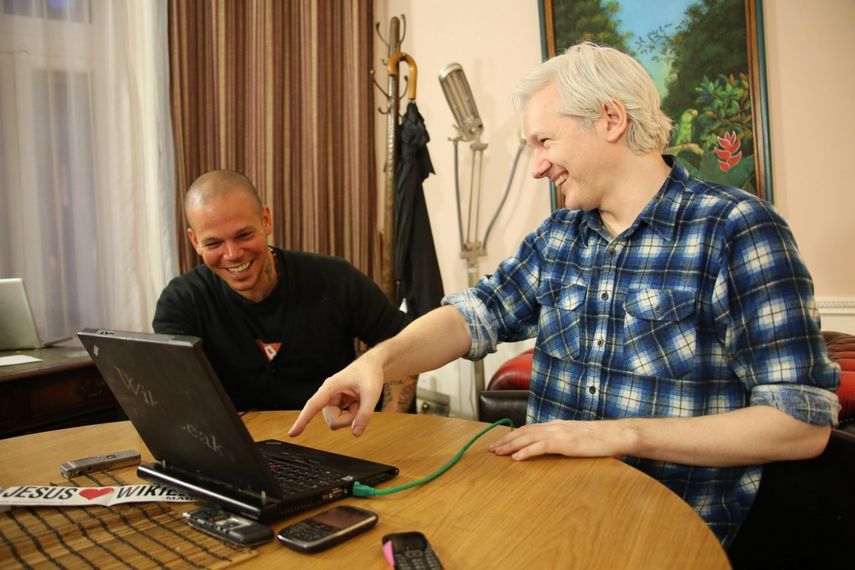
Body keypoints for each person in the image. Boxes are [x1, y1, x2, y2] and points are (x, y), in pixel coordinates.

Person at [287, 43, 841, 546]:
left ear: (611, 120)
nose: (536, 167)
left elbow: (800, 423)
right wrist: (379, 361)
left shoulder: (736, 228)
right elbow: (471, 316)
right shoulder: (559, 237)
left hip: (664, 533)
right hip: (542, 513)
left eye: (544, 141)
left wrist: (618, 436)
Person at [153, 170, 416, 413]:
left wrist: (388, 428)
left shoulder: (335, 278)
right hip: (239, 452)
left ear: (266, 220)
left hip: (337, 442)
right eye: (214, 243)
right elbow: (178, 399)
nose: (232, 254)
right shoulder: (181, 302)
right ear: (195, 241)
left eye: (244, 235)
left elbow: (405, 343)